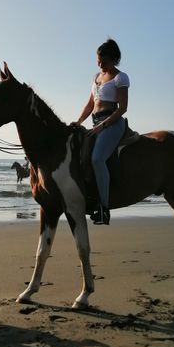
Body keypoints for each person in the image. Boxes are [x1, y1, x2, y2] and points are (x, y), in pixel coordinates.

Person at [75, 38, 130, 225]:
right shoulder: (96, 77)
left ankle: (104, 209)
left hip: (113, 123)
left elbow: (122, 108)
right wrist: (78, 121)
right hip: (95, 123)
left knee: (97, 159)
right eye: (98, 60)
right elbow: (90, 104)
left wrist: (102, 126)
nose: (100, 64)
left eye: (104, 61)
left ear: (114, 59)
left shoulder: (120, 78)